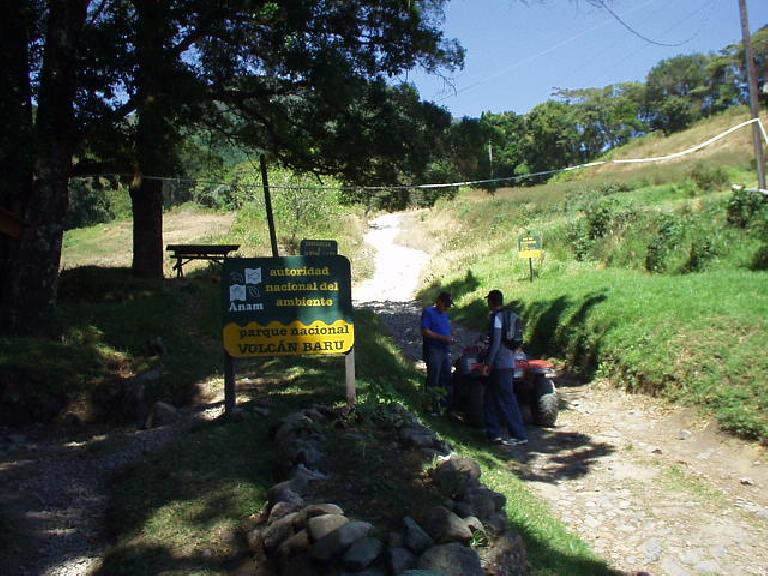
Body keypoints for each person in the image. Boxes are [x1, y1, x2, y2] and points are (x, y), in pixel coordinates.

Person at [481, 289, 528, 446]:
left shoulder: (497, 319)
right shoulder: (508, 316)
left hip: (499, 365)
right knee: (490, 398)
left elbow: (495, 344)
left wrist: (487, 364)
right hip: (508, 362)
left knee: (507, 399)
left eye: (489, 301)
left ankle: (518, 434)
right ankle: (493, 433)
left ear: (491, 302)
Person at [421, 291, 457, 412]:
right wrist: (443, 338)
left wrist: (451, 336)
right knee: (434, 377)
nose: (447, 307)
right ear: (439, 302)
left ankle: (445, 405)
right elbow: (425, 331)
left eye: (448, 305)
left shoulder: (445, 314)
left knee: (447, 376)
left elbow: (447, 328)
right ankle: (431, 405)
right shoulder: (429, 312)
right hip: (433, 349)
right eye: (445, 304)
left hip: (444, 349)